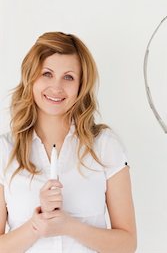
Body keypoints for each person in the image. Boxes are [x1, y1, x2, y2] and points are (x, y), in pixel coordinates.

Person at [0, 32, 137, 252]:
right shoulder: (5, 151)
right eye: (47, 73)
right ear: (31, 77)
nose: (57, 87)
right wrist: (37, 225)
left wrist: (69, 226)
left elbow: (127, 244)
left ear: (81, 85)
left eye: (68, 77)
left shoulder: (104, 146)